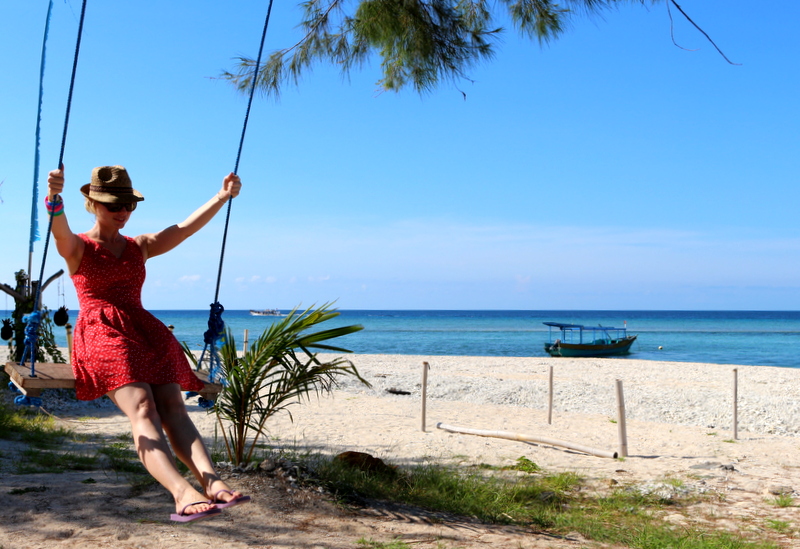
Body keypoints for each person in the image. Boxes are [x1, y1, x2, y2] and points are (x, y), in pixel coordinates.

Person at [46, 165, 250, 522]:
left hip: (144, 330)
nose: (122, 211)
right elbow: (58, 233)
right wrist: (53, 198)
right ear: (93, 203)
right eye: (114, 205)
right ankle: (181, 492)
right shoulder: (79, 247)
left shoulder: (139, 246)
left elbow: (184, 230)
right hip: (101, 331)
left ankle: (212, 482)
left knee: (173, 404)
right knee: (142, 406)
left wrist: (222, 196)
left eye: (128, 204)